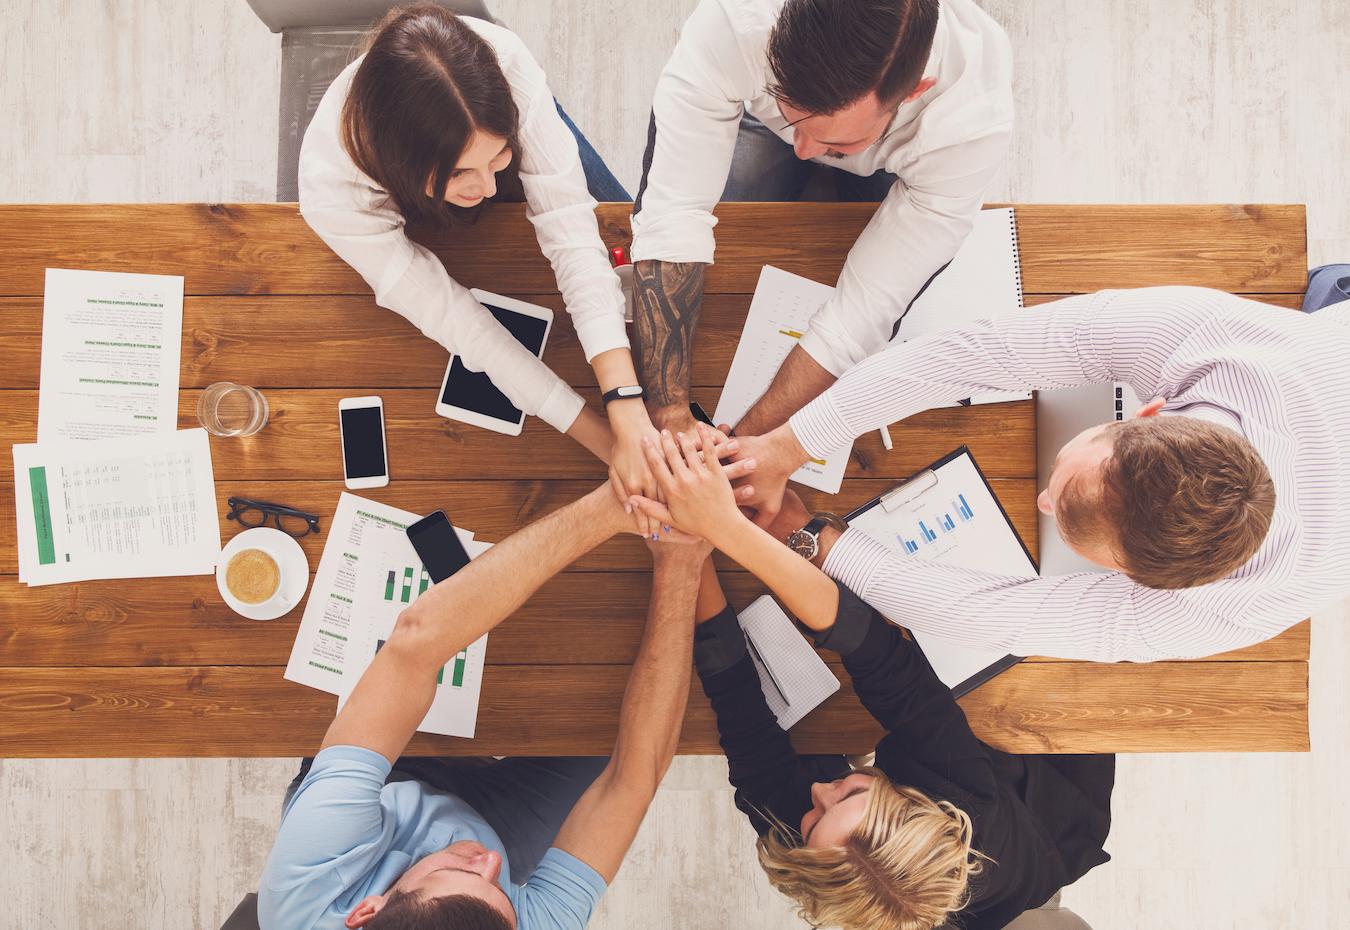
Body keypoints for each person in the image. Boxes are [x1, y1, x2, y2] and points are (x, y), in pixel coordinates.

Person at [674, 287, 1350, 663]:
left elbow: (988, 618)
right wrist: (789, 446)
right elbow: (968, 355)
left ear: (1135, 581)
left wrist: (821, 539)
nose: (1043, 498)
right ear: (1146, 410)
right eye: (1065, 484)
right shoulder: (1220, 341)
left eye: (1059, 510)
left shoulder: (1218, 614)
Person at [633, 425, 1114, 930]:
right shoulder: (968, 802)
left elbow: (746, 731)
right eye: (850, 794)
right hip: (1052, 816)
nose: (821, 793)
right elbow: (884, 660)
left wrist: (686, 555)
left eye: (816, 819)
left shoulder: (816, 859)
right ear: (910, 803)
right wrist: (783, 536)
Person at [255, 464, 754, 930]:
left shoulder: (310, 884)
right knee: (611, 744)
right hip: (495, 816)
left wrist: (615, 504)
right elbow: (634, 776)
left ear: (366, 911)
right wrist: (682, 559)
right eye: (504, 894)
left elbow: (412, 646)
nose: (493, 862)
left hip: (382, 804)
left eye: (472, 873)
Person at [299, 5, 662, 534]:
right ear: (402, 168)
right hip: (383, 194)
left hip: (484, 132)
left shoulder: (510, 66)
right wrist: (603, 439)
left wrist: (624, 401)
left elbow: (568, 229)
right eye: (462, 174)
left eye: (498, 159)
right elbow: (460, 323)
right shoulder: (334, 192)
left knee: (627, 256)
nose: (491, 190)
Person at [628, 0, 1014, 437]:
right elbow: (673, 217)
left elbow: (856, 320)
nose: (803, 149)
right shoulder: (738, 20)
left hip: (898, 164)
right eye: (794, 112)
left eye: (834, 140)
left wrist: (750, 446)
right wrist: (669, 414)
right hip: (758, 113)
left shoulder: (972, 125)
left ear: (914, 91)